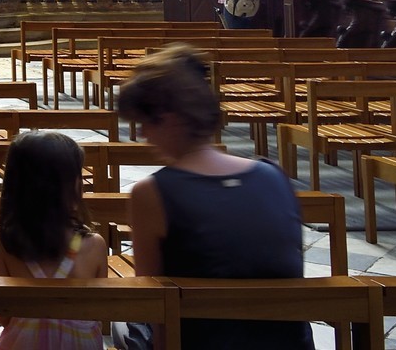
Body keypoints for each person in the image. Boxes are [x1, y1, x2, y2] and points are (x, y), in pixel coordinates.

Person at [117, 46, 314, 350]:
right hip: (285, 344)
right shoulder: (274, 176)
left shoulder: (151, 193)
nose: (143, 134)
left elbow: (155, 307)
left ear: (170, 119)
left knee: (125, 326)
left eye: (146, 122)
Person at [0, 131, 107, 350]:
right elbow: (99, 313)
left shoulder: (6, 241)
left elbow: (3, 316)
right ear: (72, 186)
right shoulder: (95, 245)